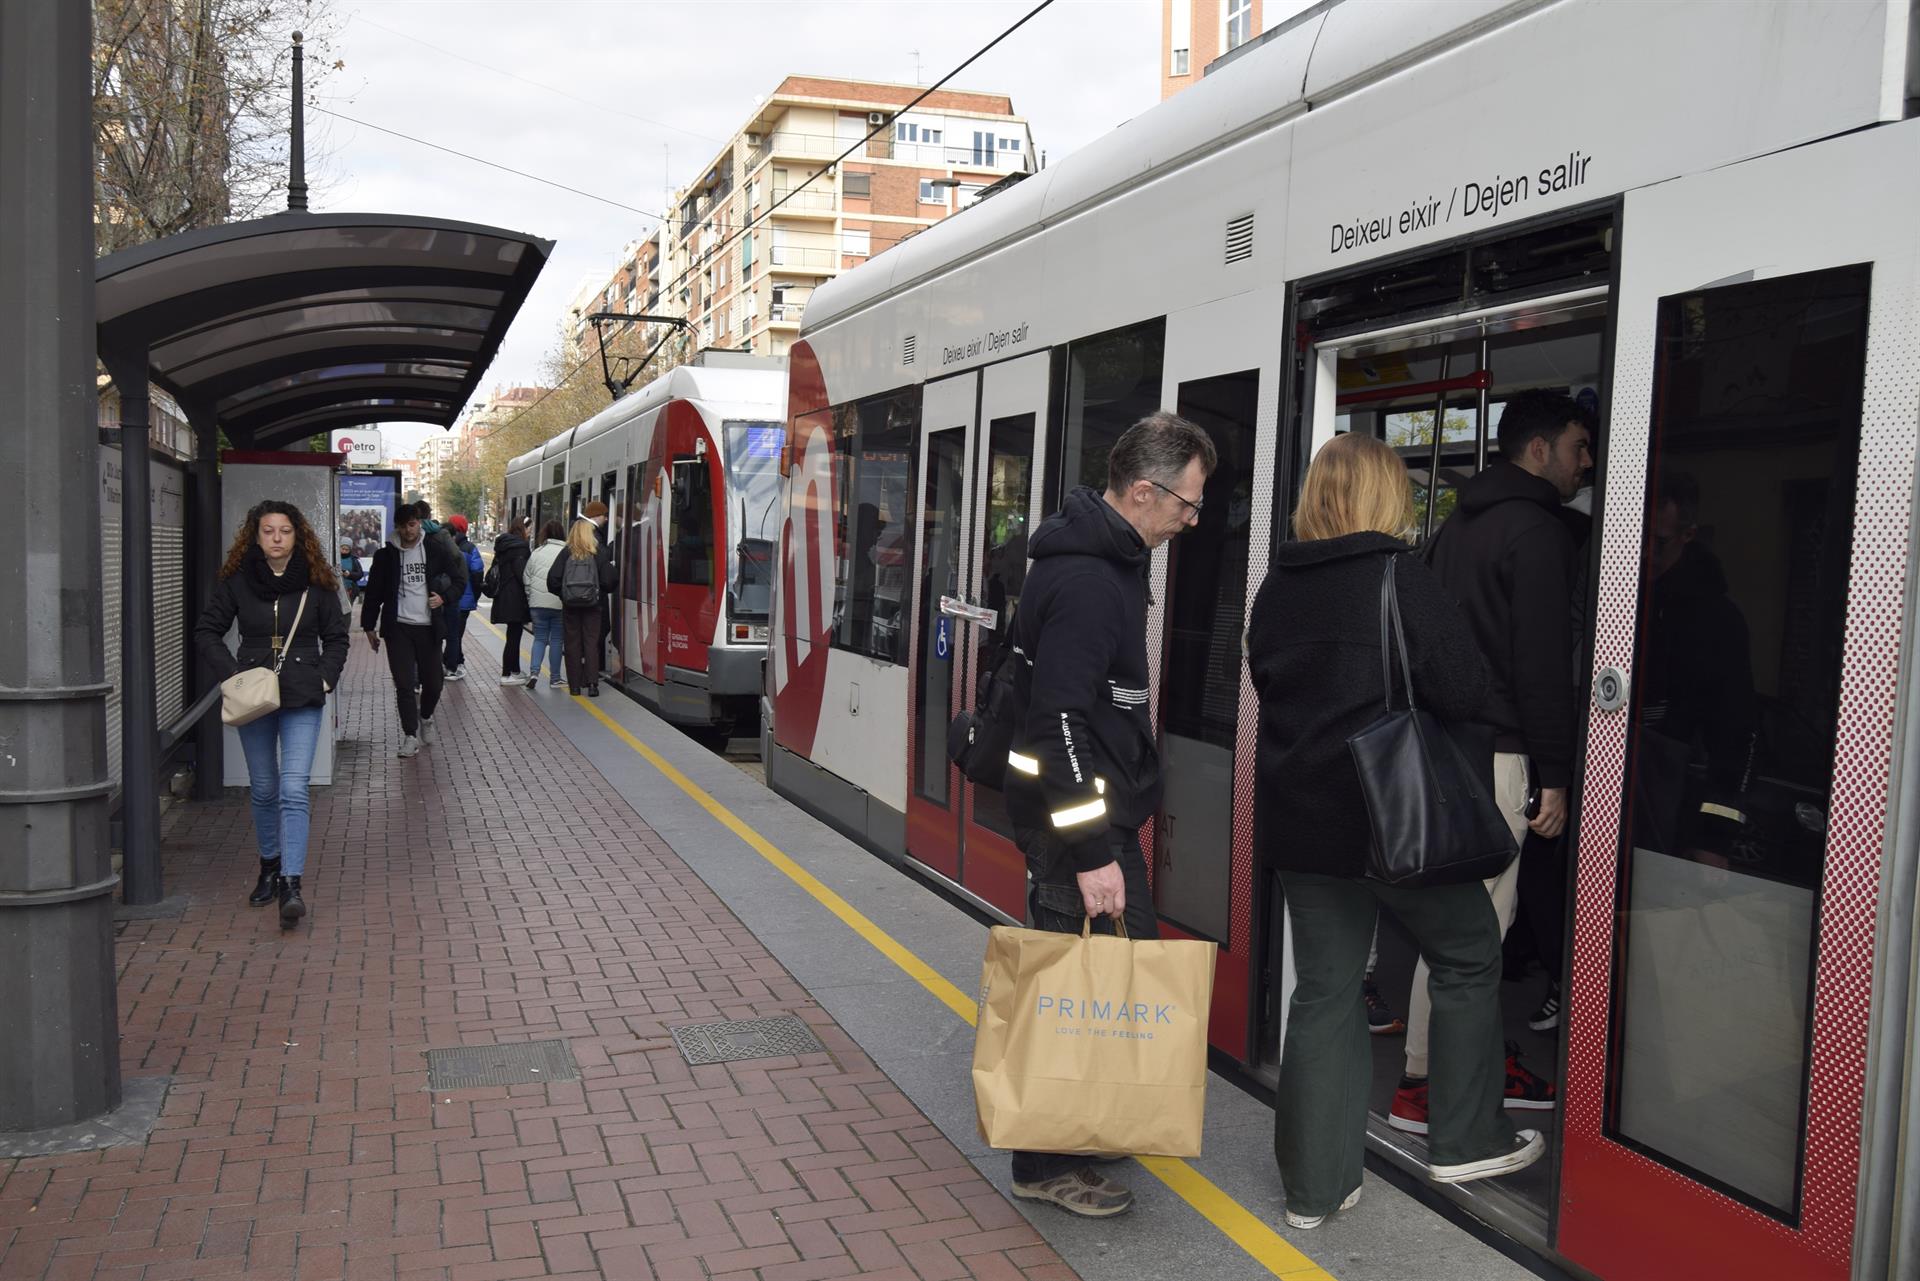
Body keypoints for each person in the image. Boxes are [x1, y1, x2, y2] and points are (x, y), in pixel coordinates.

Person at [1247, 434, 1542, 1229]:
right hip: (1395, 817)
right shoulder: (1396, 575)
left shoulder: (1276, 586)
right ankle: (1466, 1136)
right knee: (1469, 950)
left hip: (1304, 827)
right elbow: (1465, 687)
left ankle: (1315, 1189)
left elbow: (1270, 683)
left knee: (1325, 989)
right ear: (1385, 496)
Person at [1000, 412, 1215, 1218]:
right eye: (1187, 504)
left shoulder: (1110, 558)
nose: (1191, 520)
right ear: (1143, 491)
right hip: (1077, 826)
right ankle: (1043, 1161)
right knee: (1071, 983)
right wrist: (1093, 849)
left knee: (1108, 975)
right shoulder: (1093, 580)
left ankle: (1084, 1120)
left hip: (1090, 817)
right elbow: (1060, 719)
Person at [1390, 389, 1593, 1136]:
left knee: (1453, 921)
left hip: (1445, 746)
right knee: (1476, 933)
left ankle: (1430, 1070)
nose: (1585, 462)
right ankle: (1429, 1084)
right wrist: (1556, 775)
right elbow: (1542, 667)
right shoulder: (1537, 533)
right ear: (1538, 450)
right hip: (1502, 755)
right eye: (1577, 447)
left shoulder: (1455, 527)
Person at [194, 500, 349, 928]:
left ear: (298, 535)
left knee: (294, 788)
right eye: (268, 531)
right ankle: (269, 865)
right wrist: (233, 676)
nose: (277, 538)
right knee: (264, 788)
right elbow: (207, 631)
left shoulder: (318, 582)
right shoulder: (238, 581)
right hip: (253, 696)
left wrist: (325, 678)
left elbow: (337, 637)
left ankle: (291, 883)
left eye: (285, 530)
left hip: (303, 694)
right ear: (255, 535)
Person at [360, 505, 462, 757]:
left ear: (419, 524)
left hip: (428, 627)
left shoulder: (435, 550)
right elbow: (373, 593)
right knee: (404, 684)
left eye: (412, 524)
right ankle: (409, 736)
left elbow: (460, 579)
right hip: (398, 628)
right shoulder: (386, 556)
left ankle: (426, 717)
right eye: (403, 525)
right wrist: (368, 626)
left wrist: (444, 598)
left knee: (434, 684)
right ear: (397, 526)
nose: (408, 530)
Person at [546, 515, 615, 696]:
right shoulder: (597, 553)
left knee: (572, 644)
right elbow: (610, 580)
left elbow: (552, 580)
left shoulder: (566, 553)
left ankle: (575, 686)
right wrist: (599, 592)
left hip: (570, 607)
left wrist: (565, 595)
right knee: (591, 643)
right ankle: (592, 684)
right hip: (593, 606)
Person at [523, 519, 569, 689]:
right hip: (558, 603)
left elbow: (526, 577)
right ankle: (555, 678)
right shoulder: (566, 552)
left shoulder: (537, 552)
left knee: (540, 638)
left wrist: (531, 597)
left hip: (537, 605)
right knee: (556, 640)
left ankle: (534, 673)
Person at [491, 516, 533, 685]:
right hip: (515, 597)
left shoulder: (505, 545)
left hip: (504, 595)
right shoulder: (520, 547)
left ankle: (514, 670)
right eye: (529, 528)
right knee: (514, 637)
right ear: (523, 528)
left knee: (513, 634)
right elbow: (522, 574)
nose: (530, 532)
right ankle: (507, 674)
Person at [442, 514, 484, 681]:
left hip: (444, 597)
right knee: (456, 634)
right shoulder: (469, 548)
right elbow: (477, 572)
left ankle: (453, 661)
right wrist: (475, 594)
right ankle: (453, 664)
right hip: (464, 599)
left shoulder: (442, 544)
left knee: (449, 633)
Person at [582, 499, 614, 677]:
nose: (606, 519)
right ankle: (592, 675)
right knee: (596, 633)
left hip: (577, 596)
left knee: (580, 637)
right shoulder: (595, 536)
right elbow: (603, 562)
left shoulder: (576, 535)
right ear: (596, 516)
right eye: (604, 515)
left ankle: (580, 677)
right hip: (594, 595)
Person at [339, 540, 363, 609]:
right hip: (336, 589)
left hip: (349, 589)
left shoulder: (354, 560)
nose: (344, 551)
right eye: (343, 549)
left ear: (350, 550)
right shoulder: (334, 558)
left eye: (347, 550)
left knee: (347, 609)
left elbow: (360, 574)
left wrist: (350, 574)